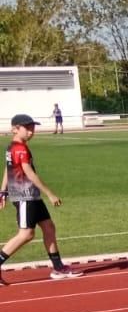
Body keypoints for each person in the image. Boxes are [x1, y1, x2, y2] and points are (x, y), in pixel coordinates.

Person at [0, 113, 84, 282]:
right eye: (27, 128)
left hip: (31, 195)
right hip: (25, 196)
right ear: (15, 129)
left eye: (33, 128)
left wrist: (3, 191)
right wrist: (50, 194)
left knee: (49, 227)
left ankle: (58, 268)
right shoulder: (20, 148)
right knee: (26, 234)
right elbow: (29, 173)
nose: (31, 131)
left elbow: (8, 169)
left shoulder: (13, 146)